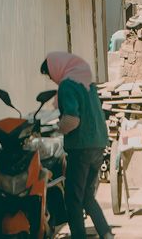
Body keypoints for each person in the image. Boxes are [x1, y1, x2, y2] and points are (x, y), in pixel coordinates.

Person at [41, 52, 113, 239]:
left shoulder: (67, 85)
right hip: (98, 144)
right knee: (87, 196)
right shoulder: (87, 83)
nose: (52, 79)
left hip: (81, 148)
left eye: (50, 75)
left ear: (56, 69)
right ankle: (106, 233)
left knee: (72, 198)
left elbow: (72, 120)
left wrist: (57, 128)